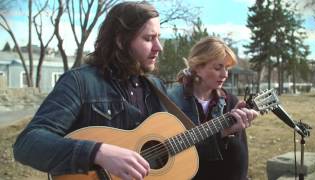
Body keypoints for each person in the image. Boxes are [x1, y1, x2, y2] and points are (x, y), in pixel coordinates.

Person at [13, 1, 165, 180]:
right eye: (148, 39)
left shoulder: (156, 87)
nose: (159, 47)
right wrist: (97, 153)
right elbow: (27, 144)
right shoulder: (80, 82)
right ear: (120, 40)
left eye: (158, 37)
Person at [168, 36, 259, 180]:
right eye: (218, 67)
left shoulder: (230, 101)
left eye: (227, 68)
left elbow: (240, 156)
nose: (225, 74)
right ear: (198, 67)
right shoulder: (172, 102)